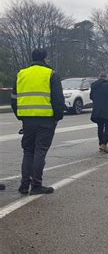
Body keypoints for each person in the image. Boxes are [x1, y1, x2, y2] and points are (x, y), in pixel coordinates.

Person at [11, 48, 65, 195]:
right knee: (40, 151)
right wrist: (57, 117)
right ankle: (36, 185)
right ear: (45, 58)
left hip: (27, 120)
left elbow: (14, 99)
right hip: (46, 120)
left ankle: (24, 185)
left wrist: (21, 116)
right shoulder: (51, 74)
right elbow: (58, 99)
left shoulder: (21, 74)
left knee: (28, 151)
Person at [90, 73, 108, 153]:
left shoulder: (93, 86)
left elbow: (91, 97)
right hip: (107, 109)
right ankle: (104, 144)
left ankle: (100, 144)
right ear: (106, 77)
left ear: (99, 77)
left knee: (100, 127)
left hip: (97, 109)